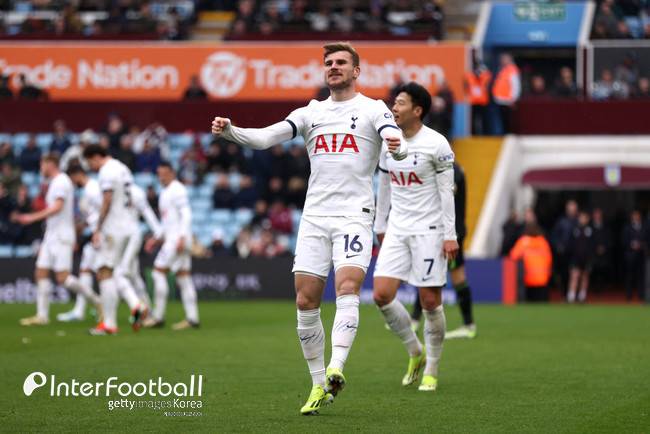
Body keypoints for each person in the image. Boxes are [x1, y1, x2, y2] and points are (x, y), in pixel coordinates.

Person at [211, 42, 407, 415]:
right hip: (315, 217)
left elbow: (393, 141)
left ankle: (337, 367)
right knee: (305, 301)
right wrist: (232, 131)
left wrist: (396, 148)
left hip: (354, 215)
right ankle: (318, 384)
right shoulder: (310, 112)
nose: (334, 67)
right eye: (329, 62)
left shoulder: (373, 108)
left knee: (347, 287)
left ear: (356, 71)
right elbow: (266, 137)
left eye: (341, 62)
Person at [373, 82, 457, 392]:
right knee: (381, 294)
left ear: (417, 110)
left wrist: (450, 235)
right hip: (397, 228)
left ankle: (432, 368)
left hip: (430, 230)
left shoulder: (437, 144)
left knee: (430, 301)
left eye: (400, 103)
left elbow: (446, 192)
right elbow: (384, 185)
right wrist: (380, 225)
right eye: (394, 103)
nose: (394, 108)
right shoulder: (388, 142)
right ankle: (415, 350)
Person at [12, 154, 101, 326]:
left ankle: (97, 301)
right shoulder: (55, 182)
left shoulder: (61, 181)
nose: (41, 168)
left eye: (42, 164)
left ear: (50, 164)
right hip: (51, 235)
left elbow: (58, 207)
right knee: (41, 272)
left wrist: (32, 217)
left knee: (63, 278)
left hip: (61, 236)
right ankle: (42, 315)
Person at [82, 145, 147, 335]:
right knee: (117, 272)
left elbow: (107, 199)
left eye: (90, 162)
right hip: (129, 225)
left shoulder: (106, 171)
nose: (91, 167)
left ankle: (109, 324)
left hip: (114, 228)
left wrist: (98, 228)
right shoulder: (122, 168)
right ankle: (135, 304)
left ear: (95, 157)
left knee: (104, 271)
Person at [411, 160, 476, 339]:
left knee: (439, 274)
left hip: (449, 233)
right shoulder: (454, 168)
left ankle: (468, 325)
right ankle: (415, 319)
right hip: (449, 231)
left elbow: (446, 196)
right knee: (433, 273)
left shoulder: (451, 170)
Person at [143, 162, 199, 330]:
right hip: (176, 238)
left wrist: (182, 236)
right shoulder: (165, 192)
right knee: (183, 277)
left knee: (158, 272)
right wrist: (156, 238)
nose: (161, 177)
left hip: (176, 240)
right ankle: (192, 318)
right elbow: (167, 222)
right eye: (159, 174)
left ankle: (158, 317)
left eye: (164, 173)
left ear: (172, 173)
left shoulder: (177, 189)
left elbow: (186, 214)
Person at [57, 164, 103, 322]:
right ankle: (80, 310)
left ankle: (138, 307)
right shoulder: (88, 190)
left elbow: (104, 209)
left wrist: (97, 231)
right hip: (94, 235)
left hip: (100, 235)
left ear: (77, 175)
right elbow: (91, 216)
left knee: (114, 274)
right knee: (85, 270)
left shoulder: (92, 189)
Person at [509, 222, 553, 302]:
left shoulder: (523, 241)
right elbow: (549, 258)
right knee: (541, 303)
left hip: (528, 277)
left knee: (529, 303)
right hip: (542, 278)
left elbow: (513, 255)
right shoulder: (543, 242)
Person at [566, 211, 594, 303]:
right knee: (574, 276)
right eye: (581, 217)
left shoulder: (590, 231)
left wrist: (591, 257)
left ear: (587, 219)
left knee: (585, 277)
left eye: (584, 218)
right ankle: (571, 296)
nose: (582, 219)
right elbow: (570, 243)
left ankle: (582, 296)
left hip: (586, 258)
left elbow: (592, 245)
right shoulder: (575, 229)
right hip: (575, 257)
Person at [551, 200, 578, 294]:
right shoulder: (561, 221)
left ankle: (573, 293)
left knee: (575, 273)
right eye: (570, 209)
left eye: (573, 209)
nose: (571, 211)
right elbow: (554, 236)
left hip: (575, 253)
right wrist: (558, 246)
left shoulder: (578, 221)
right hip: (564, 252)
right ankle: (565, 291)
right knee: (564, 273)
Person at [492, 53, 521, 134]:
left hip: (508, 101)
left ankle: (508, 134)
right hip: (500, 100)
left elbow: (516, 86)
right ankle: (504, 134)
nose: (502, 60)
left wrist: (513, 99)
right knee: (503, 120)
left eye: (504, 59)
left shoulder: (512, 69)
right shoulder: (502, 69)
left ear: (509, 59)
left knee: (508, 120)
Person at [464, 54, 492, 135]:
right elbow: (466, 86)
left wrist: (481, 73)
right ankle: (474, 134)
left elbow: (489, 84)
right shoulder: (469, 75)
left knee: (484, 119)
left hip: (483, 101)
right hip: (474, 101)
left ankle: (485, 134)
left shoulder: (485, 75)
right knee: (473, 119)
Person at [622, 210, 646, 302]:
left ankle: (641, 295)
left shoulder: (645, 227)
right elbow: (623, 241)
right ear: (631, 217)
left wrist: (642, 245)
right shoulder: (627, 228)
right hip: (630, 255)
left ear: (640, 216)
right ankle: (628, 295)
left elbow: (647, 239)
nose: (636, 217)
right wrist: (631, 245)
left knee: (641, 276)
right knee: (629, 276)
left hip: (641, 255)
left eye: (637, 215)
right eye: (634, 215)